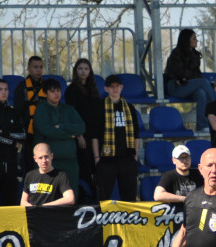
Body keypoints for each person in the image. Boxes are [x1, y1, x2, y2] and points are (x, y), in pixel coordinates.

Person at [32, 78, 85, 195]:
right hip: (49, 162)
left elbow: (81, 127)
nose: (56, 94)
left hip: (70, 160)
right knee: (49, 195)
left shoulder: (69, 109)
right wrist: (70, 135)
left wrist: (61, 126)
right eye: (52, 91)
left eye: (58, 90)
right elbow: (47, 131)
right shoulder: (41, 109)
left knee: (71, 193)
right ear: (45, 94)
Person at [91, 74, 140, 202]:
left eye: (117, 86)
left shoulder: (129, 108)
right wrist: (97, 157)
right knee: (103, 195)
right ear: (106, 89)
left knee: (129, 196)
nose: (114, 89)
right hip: (107, 158)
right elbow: (95, 135)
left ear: (121, 87)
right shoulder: (99, 107)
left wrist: (135, 155)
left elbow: (136, 135)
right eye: (111, 87)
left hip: (127, 157)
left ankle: (129, 221)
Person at [164, 29, 216, 133]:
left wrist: (189, 77)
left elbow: (195, 74)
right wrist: (187, 77)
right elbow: (180, 73)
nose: (197, 41)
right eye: (194, 38)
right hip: (176, 86)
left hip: (188, 85)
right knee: (203, 82)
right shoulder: (176, 54)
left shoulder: (195, 55)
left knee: (201, 93)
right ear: (187, 40)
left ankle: (202, 125)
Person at [64, 58, 101, 201]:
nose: (83, 71)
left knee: (96, 168)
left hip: (95, 136)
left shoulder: (93, 89)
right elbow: (71, 115)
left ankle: (97, 199)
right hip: (81, 136)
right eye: (80, 68)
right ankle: (82, 198)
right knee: (84, 169)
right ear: (75, 71)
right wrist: (78, 136)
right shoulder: (71, 90)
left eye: (86, 68)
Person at [0, 78, 25, 206]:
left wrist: (4, 134)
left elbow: (23, 134)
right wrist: (12, 142)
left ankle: (9, 227)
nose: (4, 92)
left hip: (11, 162)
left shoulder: (13, 111)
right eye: (0, 89)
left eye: (6, 89)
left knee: (10, 200)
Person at [13, 56, 46, 171]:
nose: (38, 70)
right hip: (28, 131)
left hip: (44, 130)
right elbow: (17, 110)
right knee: (29, 162)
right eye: (35, 67)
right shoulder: (21, 87)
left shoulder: (46, 86)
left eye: (41, 67)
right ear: (28, 68)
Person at [20, 142, 75, 207]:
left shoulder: (60, 175)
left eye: (46, 156)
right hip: (33, 215)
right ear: (35, 159)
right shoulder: (30, 175)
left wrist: (43, 206)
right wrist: (30, 207)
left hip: (51, 215)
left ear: (51, 156)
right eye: (40, 158)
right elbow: (23, 202)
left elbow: (70, 199)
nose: (44, 161)